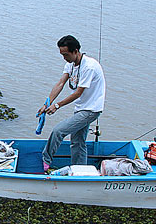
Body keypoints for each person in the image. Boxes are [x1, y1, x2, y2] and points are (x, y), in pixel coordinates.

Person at [37, 35, 106, 171]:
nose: (64, 58)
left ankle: (45, 160)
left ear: (76, 51)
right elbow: (61, 83)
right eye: (62, 55)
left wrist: (57, 106)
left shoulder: (89, 67)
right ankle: (80, 170)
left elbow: (77, 93)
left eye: (66, 54)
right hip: (81, 108)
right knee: (78, 142)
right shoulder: (70, 64)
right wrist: (47, 103)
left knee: (58, 131)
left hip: (91, 110)